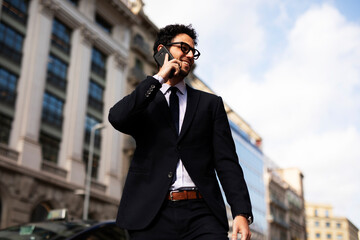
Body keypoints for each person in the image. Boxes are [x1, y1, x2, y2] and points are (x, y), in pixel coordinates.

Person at [108, 24, 253, 240]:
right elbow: (117, 118)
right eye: (183, 47)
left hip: (203, 214)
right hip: (151, 214)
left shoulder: (210, 104)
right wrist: (158, 78)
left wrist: (241, 211)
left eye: (193, 51)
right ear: (162, 50)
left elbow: (226, 161)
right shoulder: (146, 99)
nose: (189, 55)